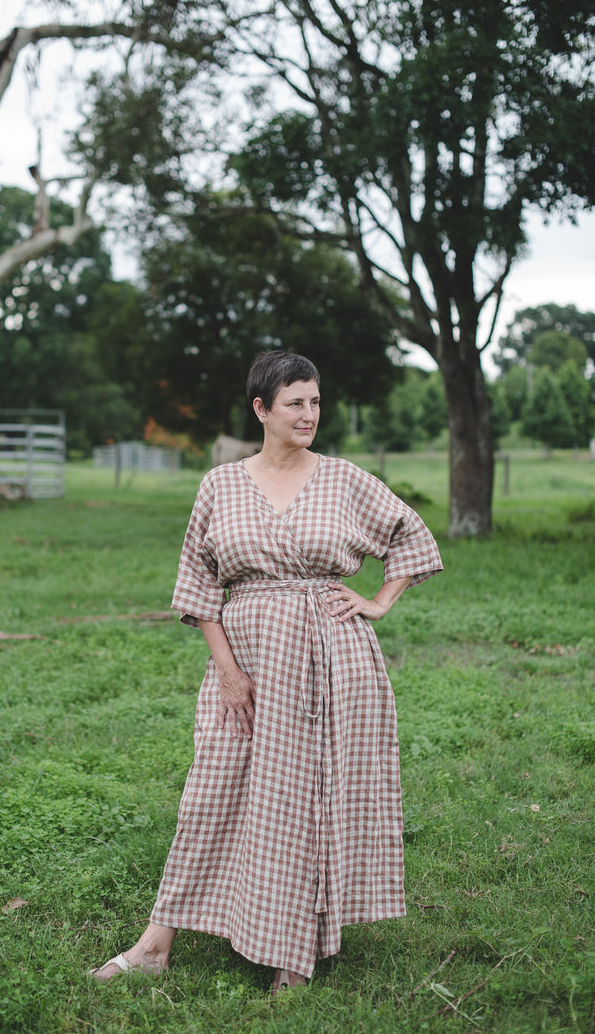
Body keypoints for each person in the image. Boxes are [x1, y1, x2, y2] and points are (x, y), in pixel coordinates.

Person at [90, 350, 443, 993]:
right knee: (212, 792)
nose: (309, 415)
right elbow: (198, 588)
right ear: (261, 409)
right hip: (247, 659)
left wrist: (379, 599)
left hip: (332, 662)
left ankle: (294, 952)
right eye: (294, 403)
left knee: (308, 799)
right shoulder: (220, 485)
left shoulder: (342, 479)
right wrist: (228, 673)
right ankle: (154, 944)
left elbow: (412, 539)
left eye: (314, 401)